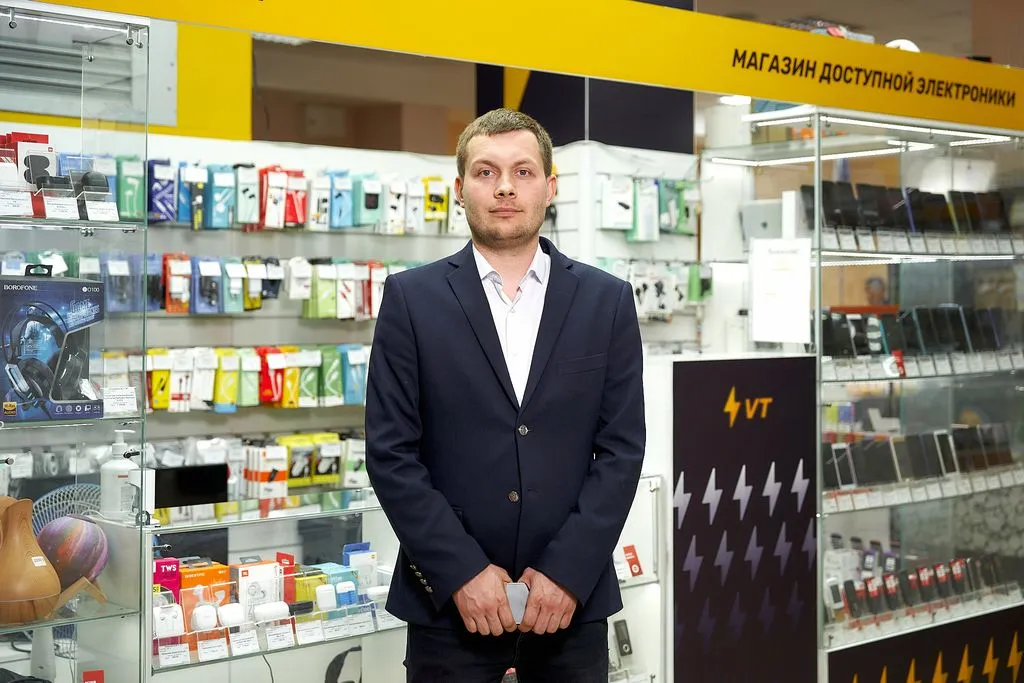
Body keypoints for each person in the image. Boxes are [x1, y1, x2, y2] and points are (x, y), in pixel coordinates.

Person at [364, 108, 646, 683]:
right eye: (486, 172)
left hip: (569, 608)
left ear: (550, 186)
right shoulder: (411, 299)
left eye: (522, 171)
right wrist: (461, 572)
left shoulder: (607, 301)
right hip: (450, 609)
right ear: (460, 189)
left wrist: (567, 572)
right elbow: (390, 453)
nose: (505, 188)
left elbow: (621, 451)